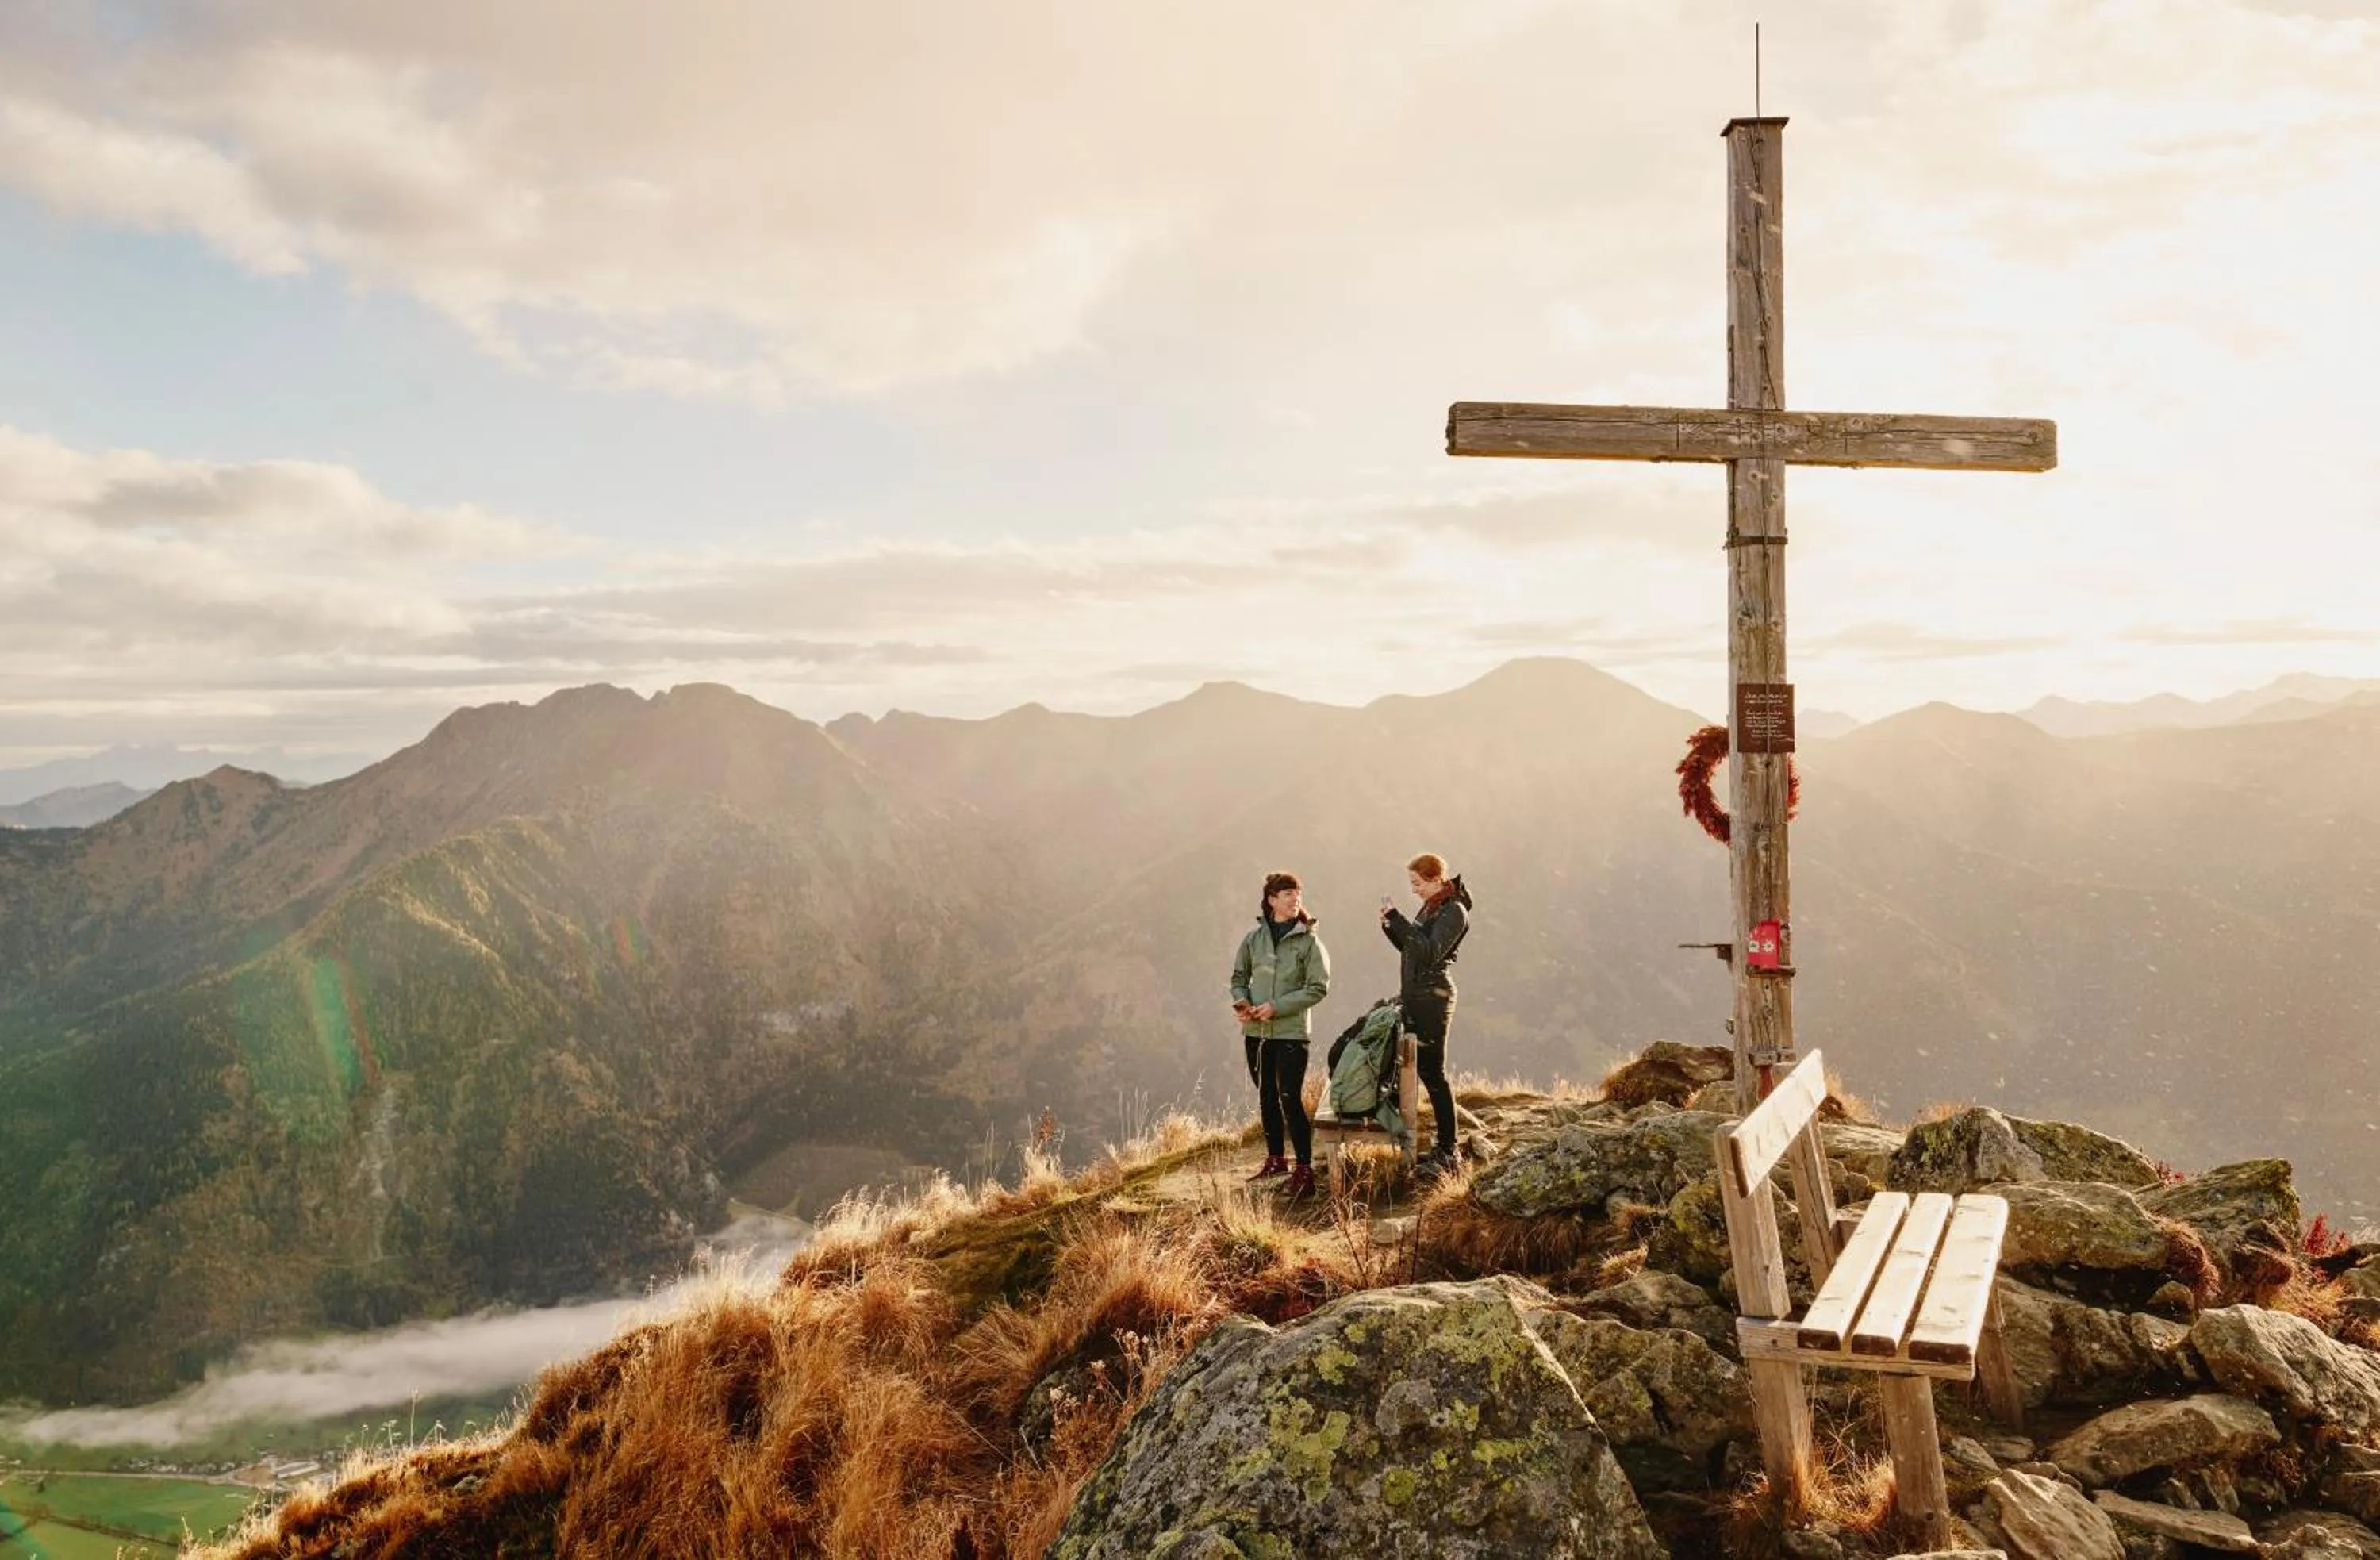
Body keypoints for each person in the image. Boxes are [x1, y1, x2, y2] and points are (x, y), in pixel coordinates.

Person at [1231, 870, 1331, 1201]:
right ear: (1272, 900)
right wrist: (1242, 1001)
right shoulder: (1253, 939)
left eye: (1297, 894)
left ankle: (1305, 1169)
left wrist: (1276, 1006)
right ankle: (1276, 1160)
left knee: (1290, 1096)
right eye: (1287, 894)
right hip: (1256, 1032)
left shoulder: (1310, 942)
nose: (1295, 899)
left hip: (1291, 1033)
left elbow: (1318, 988)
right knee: (1266, 1096)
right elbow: (1238, 977)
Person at [1380, 852, 1473, 1182]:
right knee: (1419, 1069)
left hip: (1434, 998)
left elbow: (1431, 952)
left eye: (1418, 883)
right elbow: (1413, 949)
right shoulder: (1432, 907)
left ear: (1437, 878)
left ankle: (1450, 1149)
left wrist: (1400, 919)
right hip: (1417, 995)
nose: (1415, 890)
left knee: (1435, 1073)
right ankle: (1440, 1145)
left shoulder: (1454, 911)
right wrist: (1391, 927)